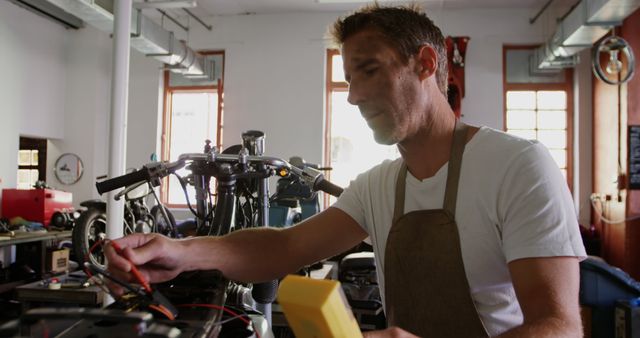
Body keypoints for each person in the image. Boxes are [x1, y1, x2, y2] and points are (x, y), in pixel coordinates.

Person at [106, 4, 586, 337]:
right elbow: (285, 247)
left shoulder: (518, 166)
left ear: (424, 64)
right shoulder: (380, 185)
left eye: (369, 70)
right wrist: (182, 251)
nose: (354, 96)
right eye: (348, 79)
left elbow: (560, 326)